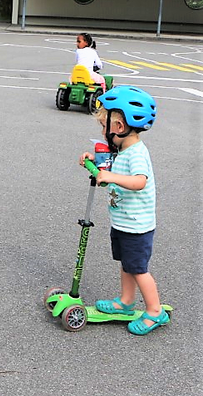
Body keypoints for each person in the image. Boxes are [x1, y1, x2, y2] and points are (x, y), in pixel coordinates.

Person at [79, 86, 168, 335]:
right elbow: (109, 168)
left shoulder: (137, 154)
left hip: (137, 226)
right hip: (123, 222)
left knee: (138, 269)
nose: (102, 131)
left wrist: (112, 177)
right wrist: (94, 162)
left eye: (103, 126)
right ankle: (126, 302)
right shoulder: (123, 150)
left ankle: (154, 311)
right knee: (127, 265)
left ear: (118, 127)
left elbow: (140, 181)